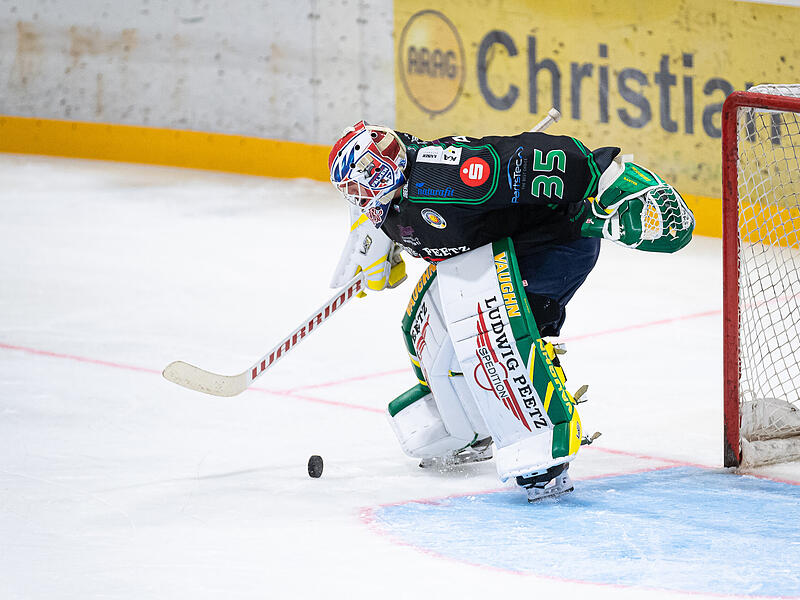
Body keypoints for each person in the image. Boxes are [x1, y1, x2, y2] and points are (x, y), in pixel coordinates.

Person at [327, 120, 694, 501]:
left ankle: (540, 450)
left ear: (383, 170)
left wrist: (605, 177)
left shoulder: (446, 175)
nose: (357, 196)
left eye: (359, 186)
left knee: (502, 335)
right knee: (427, 326)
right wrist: (376, 245)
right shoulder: (387, 198)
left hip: (551, 245)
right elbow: (385, 217)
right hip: (486, 255)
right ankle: (467, 427)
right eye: (349, 191)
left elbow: (521, 158)